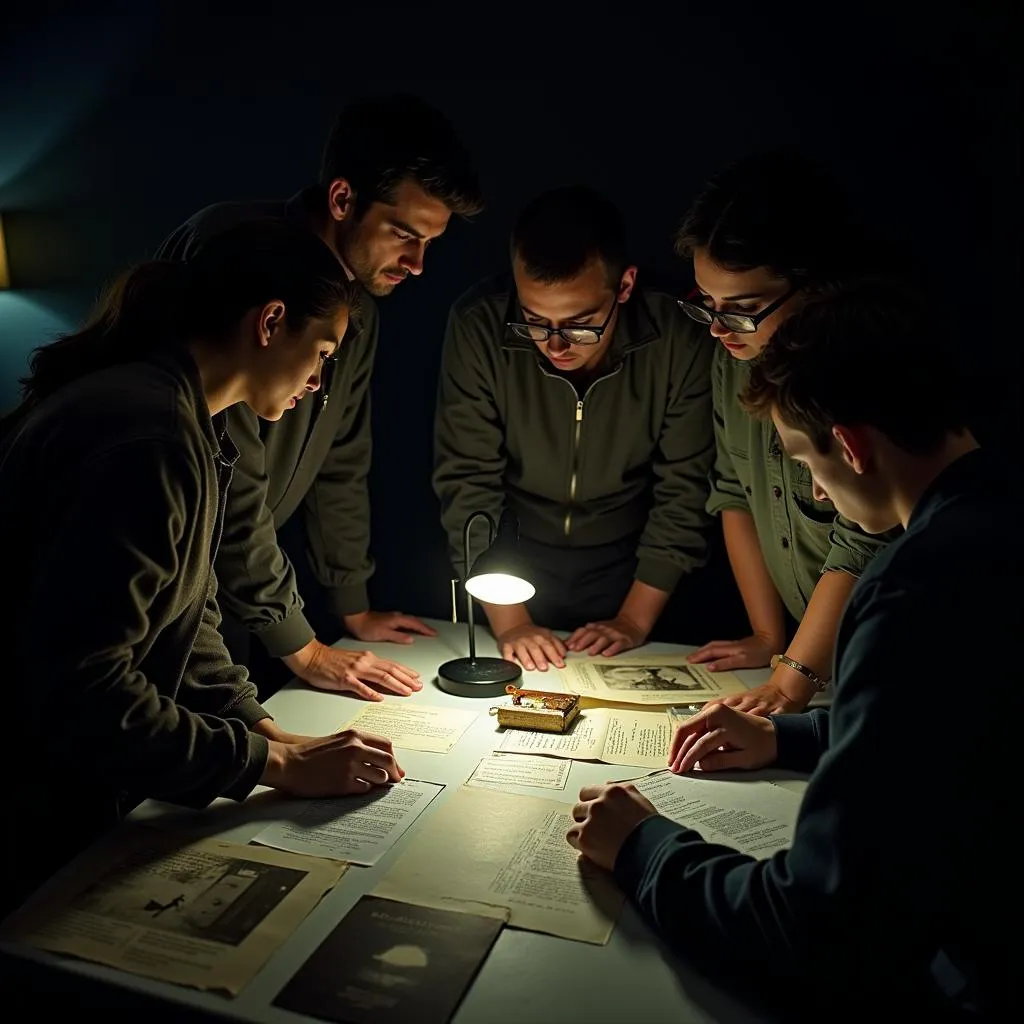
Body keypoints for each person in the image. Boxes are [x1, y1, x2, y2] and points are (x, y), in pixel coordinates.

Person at [566, 280, 1012, 1020]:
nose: (818, 488)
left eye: (805, 464)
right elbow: (958, 737)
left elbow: (817, 926)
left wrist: (643, 846)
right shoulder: (997, 516)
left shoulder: (914, 590)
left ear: (851, 444)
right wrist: (788, 735)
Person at [0, 220, 405, 916]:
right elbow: (85, 690)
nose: (318, 379)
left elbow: (189, 609)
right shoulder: (144, 436)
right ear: (272, 321)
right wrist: (268, 765)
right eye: (323, 352)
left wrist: (263, 728)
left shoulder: (193, 422)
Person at [157, 93, 484, 700]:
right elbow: (230, 476)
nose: (416, 264)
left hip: (231, 597)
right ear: (342, 199)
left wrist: (352, 604)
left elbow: (341, 458)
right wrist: (302, 647)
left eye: (430, 243)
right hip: (166, 586)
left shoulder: (358, 303)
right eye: (403, 234)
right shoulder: (236, 257)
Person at [433, 185, 734, 673]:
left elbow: (687, 485)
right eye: (534, 321)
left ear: (625, 286)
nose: (555, 345)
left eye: (581, 323)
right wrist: (510, 625)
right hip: (511, 559)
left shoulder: (679, 335)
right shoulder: (479, 326)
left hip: (636, 566)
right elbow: (467, 482)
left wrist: (634, 620)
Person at [673, 151, 895, 714]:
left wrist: (790, 682)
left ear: (814, 286)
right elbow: (732, 487)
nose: (719, 329)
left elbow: (864, 535)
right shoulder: (733, 353)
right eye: (707, 305)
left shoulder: (858, 369)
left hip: (876, 659)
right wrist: (771, 640)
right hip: (804, 660)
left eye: (744, 309)